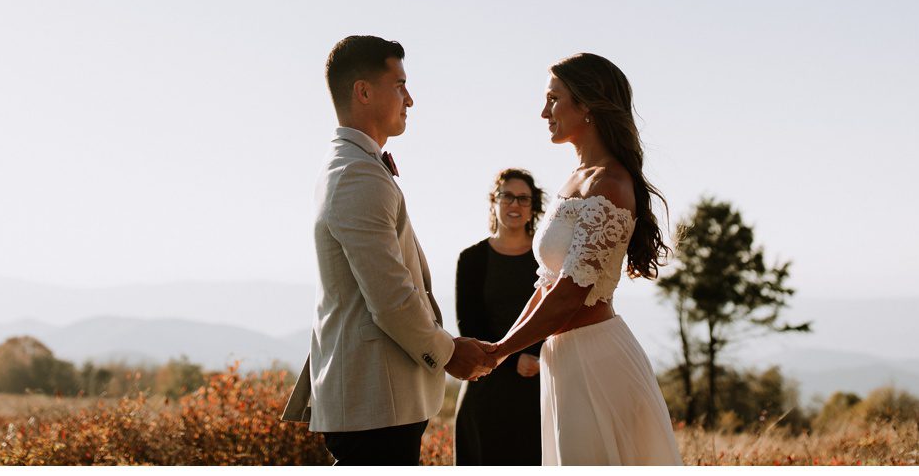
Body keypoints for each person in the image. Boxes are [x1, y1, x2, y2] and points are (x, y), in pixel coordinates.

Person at [281, 35, 493, 465]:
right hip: (374, 400)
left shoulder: (352, 165)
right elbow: (391, 299)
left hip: (378, 400)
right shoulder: (356, 174)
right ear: (363, 91)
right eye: (399, 85)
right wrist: (449, 352)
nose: (410, 99)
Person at [477, 53, 682, 465]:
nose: (543, 112)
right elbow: (547, 284)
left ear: (585, 104)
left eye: (553, 99)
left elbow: (571, 294)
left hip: (596, 361)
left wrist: (498, 352)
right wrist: (497, 348)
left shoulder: (610, 184)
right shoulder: (574, 181)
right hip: (563, 360)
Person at [453, 169, 547, 465]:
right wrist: (511, 359)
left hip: (540, 385)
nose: (514, 205)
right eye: (507, 196)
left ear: (533, 207)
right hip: (486, 388)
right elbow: (469, 325)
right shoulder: (472, 259)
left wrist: (539, 358)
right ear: (494, 201)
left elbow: (559, 315)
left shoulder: (546, 258)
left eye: (523, 199)